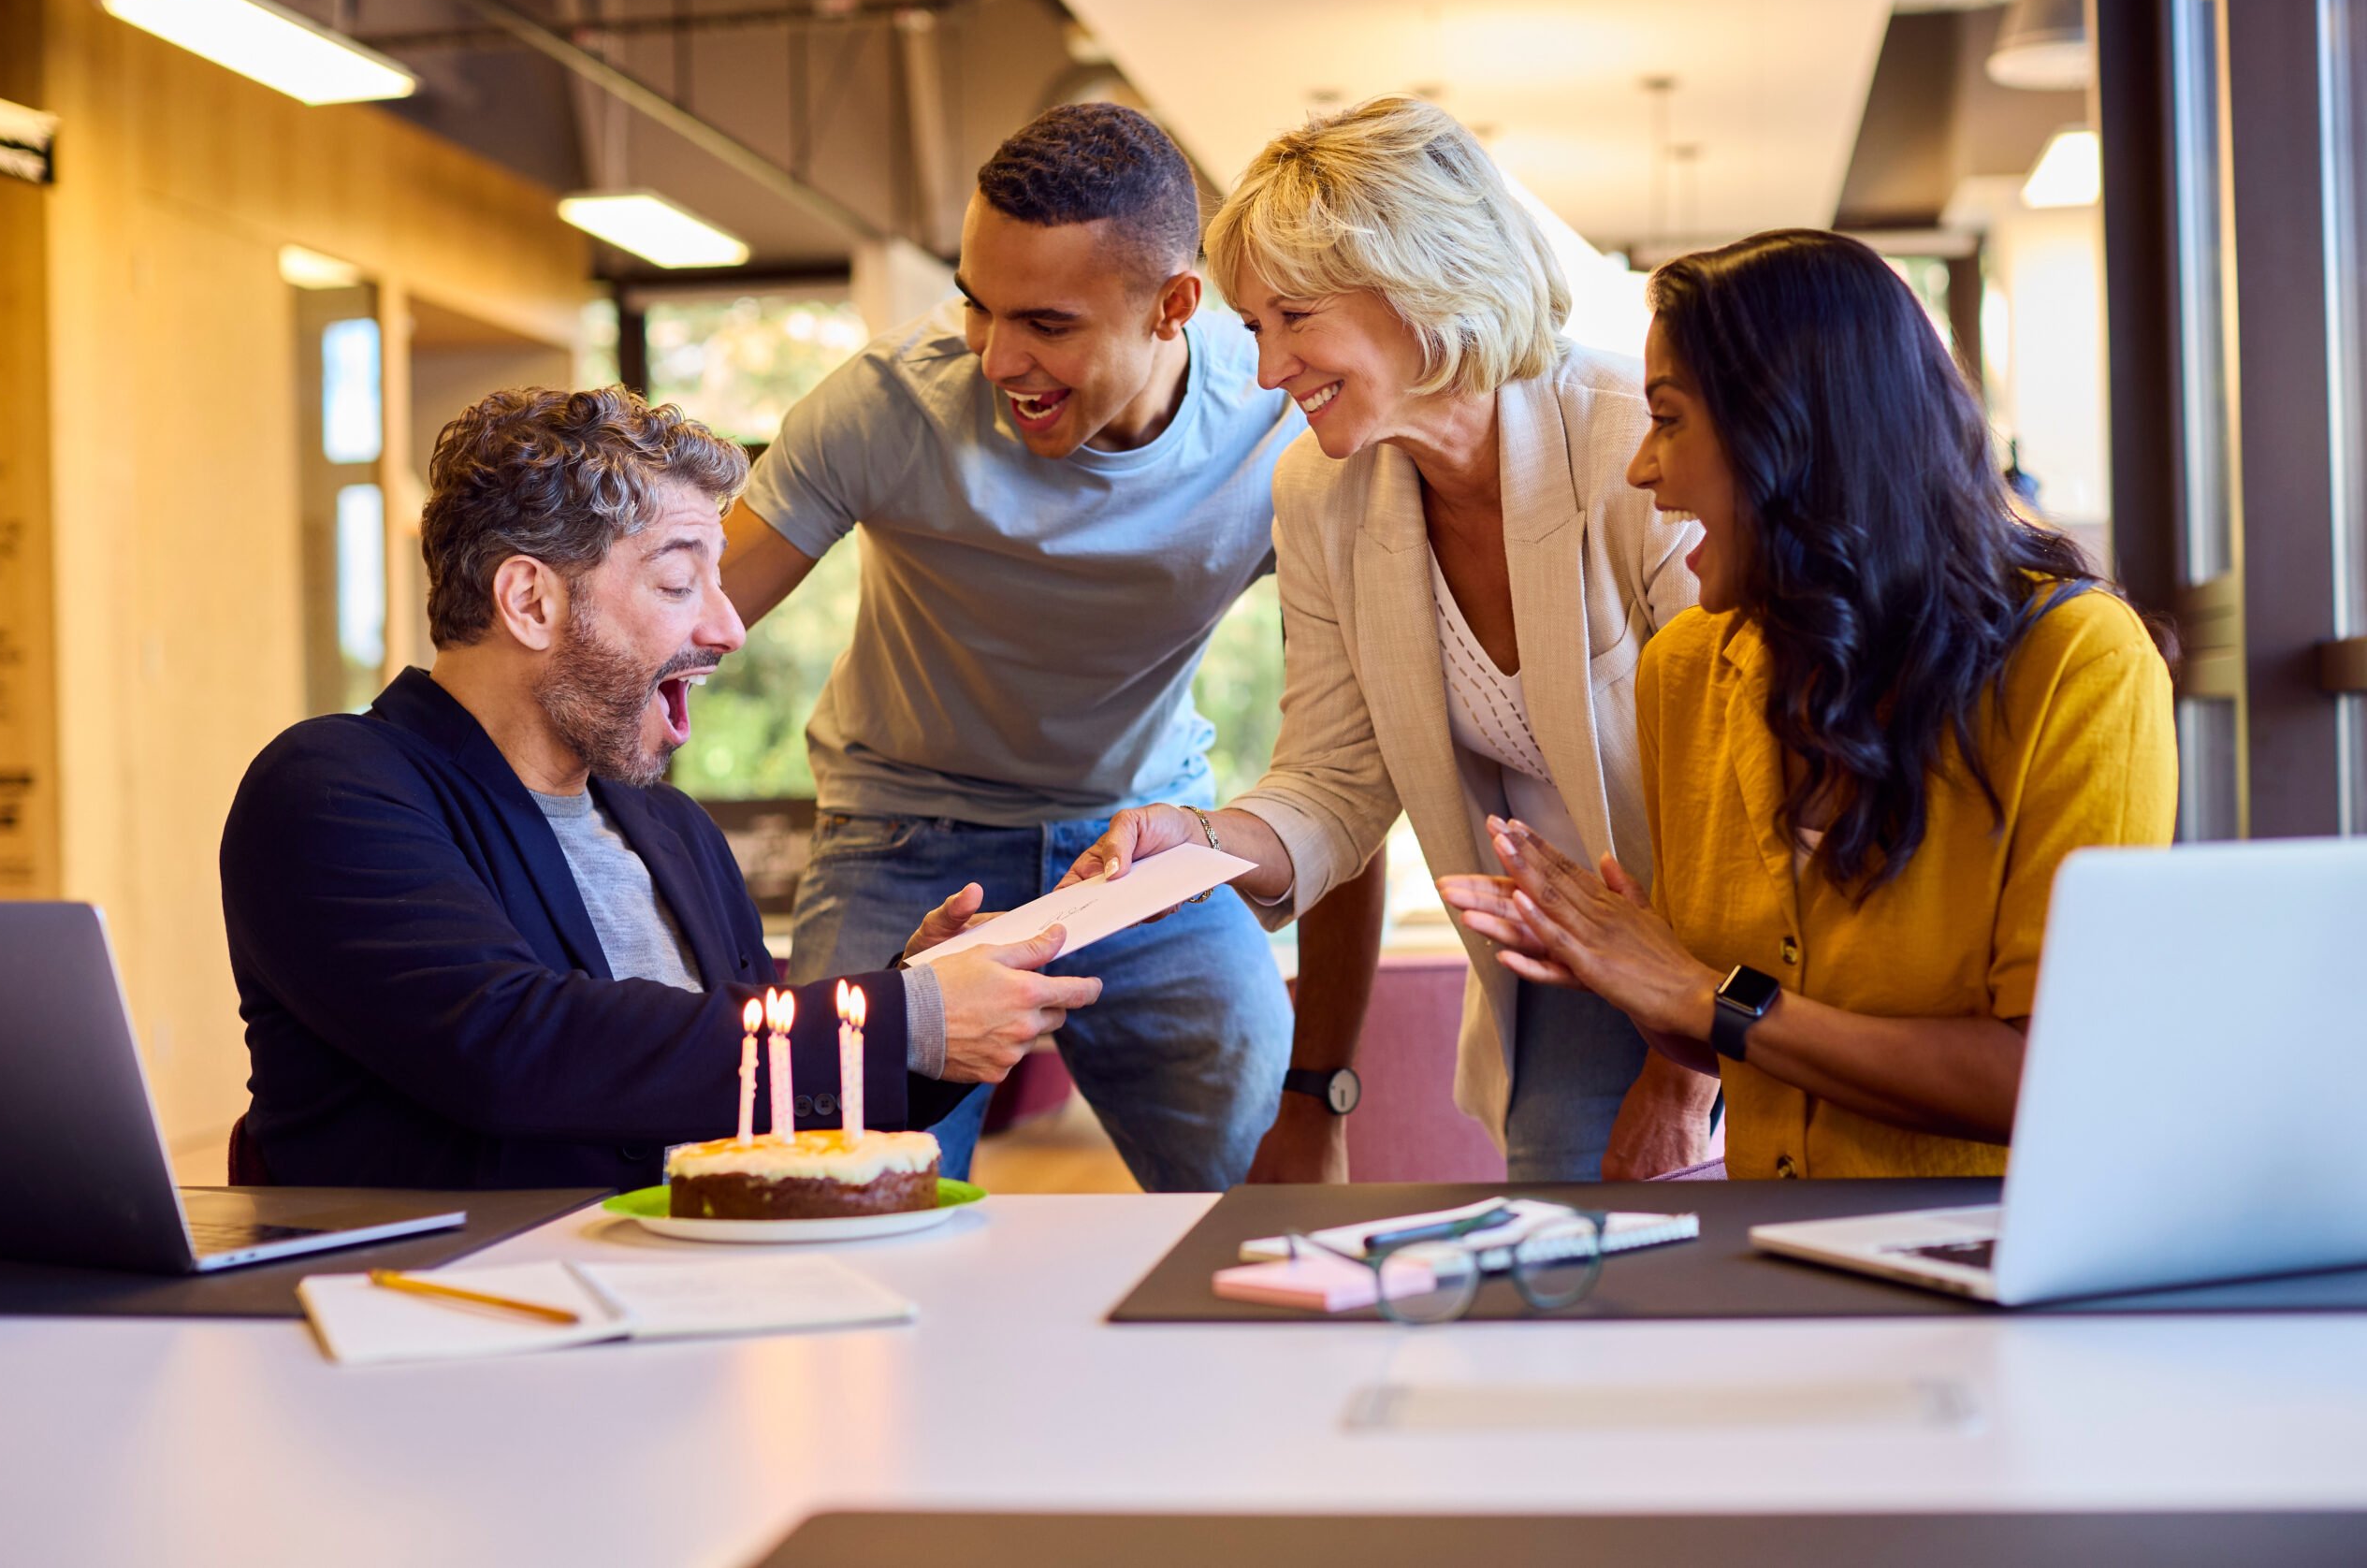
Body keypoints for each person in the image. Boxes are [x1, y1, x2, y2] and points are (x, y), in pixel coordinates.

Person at [717, 102, 1385, 1192]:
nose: (995, 355)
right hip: (904, 841)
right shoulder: (885, 409)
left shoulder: (1276, 426)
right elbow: (686, 625)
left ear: (1174, 307)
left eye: (1048, 323)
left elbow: (1357, 757)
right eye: (978, 306)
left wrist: (1324, 1089)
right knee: (825, 1199)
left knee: (1260, 1196)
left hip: (1146, 846)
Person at [222, 386, 1099, 1192]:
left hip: (691, 1307)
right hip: (446, 1320)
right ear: (529, 601)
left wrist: (926, 1003)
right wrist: (896, 1016)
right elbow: (515, 1047)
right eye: (679, 581)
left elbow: (756, 1086)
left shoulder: (670, 826)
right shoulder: (332, 789)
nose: (727, 627)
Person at [1441, 229, 2177, 1179]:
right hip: (1771, 1254)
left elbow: (2050, 1077)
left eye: (1668, 420)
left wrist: (1706, 994)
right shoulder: (1685, 672)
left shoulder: (2078, 663)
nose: (1640, 469)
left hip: (1979, 1264)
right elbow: (1733, 1044)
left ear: (1791, 431)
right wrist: (1636, 978)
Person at [1062, 96, 1705, 1182]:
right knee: (1565, 1284)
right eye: (1254, 329)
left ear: (1423, 285)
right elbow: (1333, 777)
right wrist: (1199, 843)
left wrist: (1690, 1073)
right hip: (1568, 963)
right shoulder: (1320, 490)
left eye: (1295, 318)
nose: (1269, 371)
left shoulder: (1631, 440)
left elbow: (1750, 784)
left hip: (1731, 945)